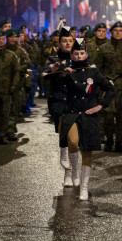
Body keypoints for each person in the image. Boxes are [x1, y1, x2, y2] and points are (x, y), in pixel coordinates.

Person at [55, 38, 115, 199]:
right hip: (72, 113)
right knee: (73, 142)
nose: (79, 56)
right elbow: (54, 90)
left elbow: (110, 89)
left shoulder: (93, 72)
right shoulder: (66, 71)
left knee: (87, 151)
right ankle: (74, 172)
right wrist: (62, 75)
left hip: (89, 115)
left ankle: (84, 187)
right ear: (71, 55)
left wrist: (101, 105)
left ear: (86, 54)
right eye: (76, 54)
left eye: (82, 53)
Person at [94, 21, 122, 152]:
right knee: (108, 116)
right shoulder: (104, 49)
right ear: (111, 32)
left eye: (120, 30)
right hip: (108, 88)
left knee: (121, 117)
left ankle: (119, 142)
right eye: (115, 30)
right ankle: (109, 140)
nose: (118, 33)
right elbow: (98, 68)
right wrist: (103, 82)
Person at [42, 26, 76, 183]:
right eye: (64, 41)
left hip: (75, 102)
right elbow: (43, 77)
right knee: (65, 135)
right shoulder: (52, 59)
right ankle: (67, 170)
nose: (67, 43)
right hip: (59, 102)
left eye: (70, 41)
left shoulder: (79, 58)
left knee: (74, 140)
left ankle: (71, 169)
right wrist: (54, 70)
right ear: (59, 43)